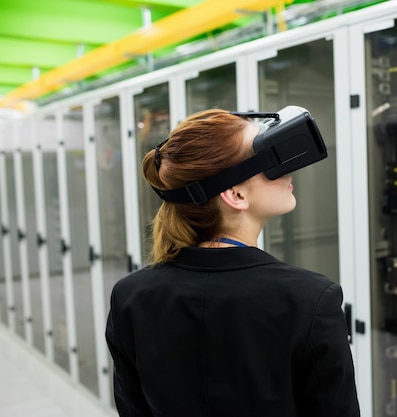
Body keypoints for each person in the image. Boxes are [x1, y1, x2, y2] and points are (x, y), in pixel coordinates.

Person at [105, 107, 360, 417]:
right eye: (270, 158)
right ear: (235, 194)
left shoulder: (130, 296)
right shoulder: (311, 300)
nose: (287, 170)